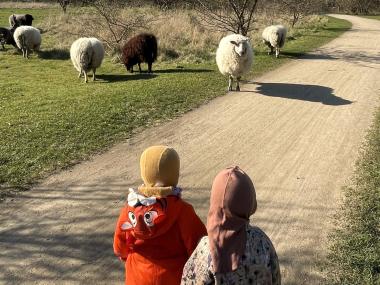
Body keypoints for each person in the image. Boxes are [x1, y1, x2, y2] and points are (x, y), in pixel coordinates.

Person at [113, 145, 207, 285]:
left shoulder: (130, 209)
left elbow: (119, 246)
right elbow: (199, 248)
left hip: (137, 277)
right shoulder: (182, 211)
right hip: (173, 277)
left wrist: (127, 258)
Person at [181, 166, 281, 285]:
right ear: (250, 203)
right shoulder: (262, 241)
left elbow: (188, 281)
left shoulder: (206, 249)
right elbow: (275, 278)